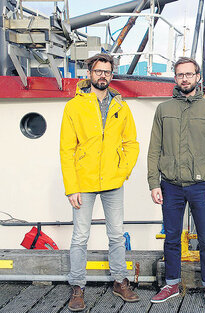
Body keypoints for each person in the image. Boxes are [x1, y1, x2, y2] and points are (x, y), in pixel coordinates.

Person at [60, 53, 140, 311]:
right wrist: (71, 187)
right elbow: (67, 149)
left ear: (111, 75)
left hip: (113, 182)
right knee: (80, 236)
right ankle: (77, 287)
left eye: (107, 71)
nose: (102, 75)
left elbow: (131, 143)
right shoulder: (74, 106)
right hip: (83, 182)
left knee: (116, 234)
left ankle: (119, 281)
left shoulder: (121, 106)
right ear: (90, 74)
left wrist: (122, 170)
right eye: (98, 71)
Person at [147, 57, 205, 308]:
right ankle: (171, 283)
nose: (185, 79)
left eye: (189, 74)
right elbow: (153, 149)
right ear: (175, 78)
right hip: (170, 184)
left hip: (202, 185)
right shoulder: (163, 109)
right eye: (180, 75)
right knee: (171, 237)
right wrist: (153, 183)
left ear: (198, 77)